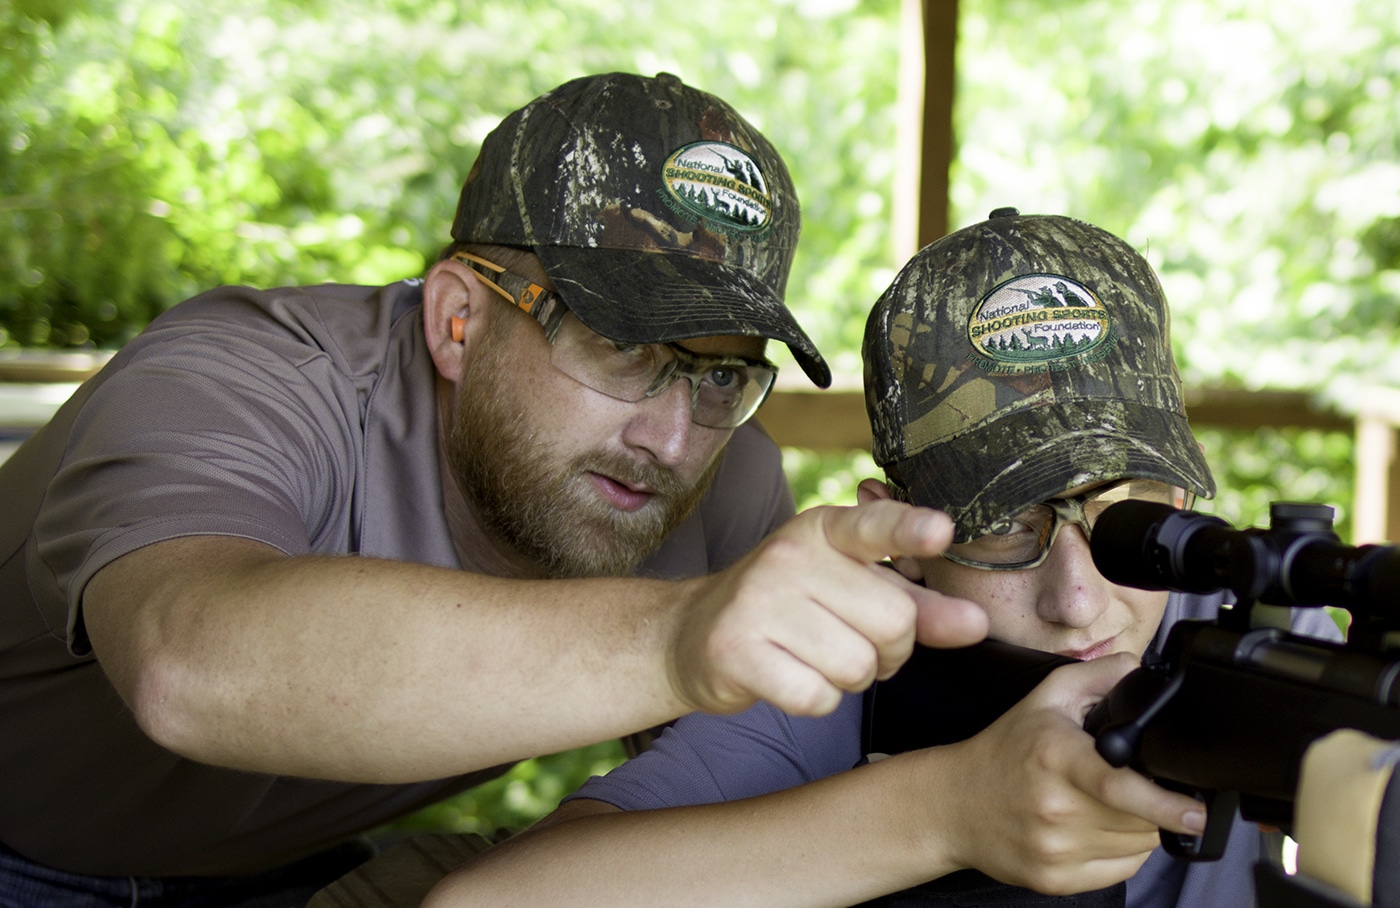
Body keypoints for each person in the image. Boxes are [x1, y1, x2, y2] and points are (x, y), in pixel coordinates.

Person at [0, 72, 989, 903]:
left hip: (292, 876)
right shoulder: (238, 374)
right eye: (618, 345)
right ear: (458, 320)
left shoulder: (722, 477)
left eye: (719, 371)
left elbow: (722, 811)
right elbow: (193, 664)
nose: (670, 434)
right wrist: (674, 634)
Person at [421, 209, 1343, 907]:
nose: (1078, 600)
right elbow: (492, 899)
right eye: (1000, 528)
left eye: (1127, 525)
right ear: (899, 537)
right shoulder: (859, 666)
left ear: (1179, 504)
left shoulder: (1256, 629)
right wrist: (943, 811)